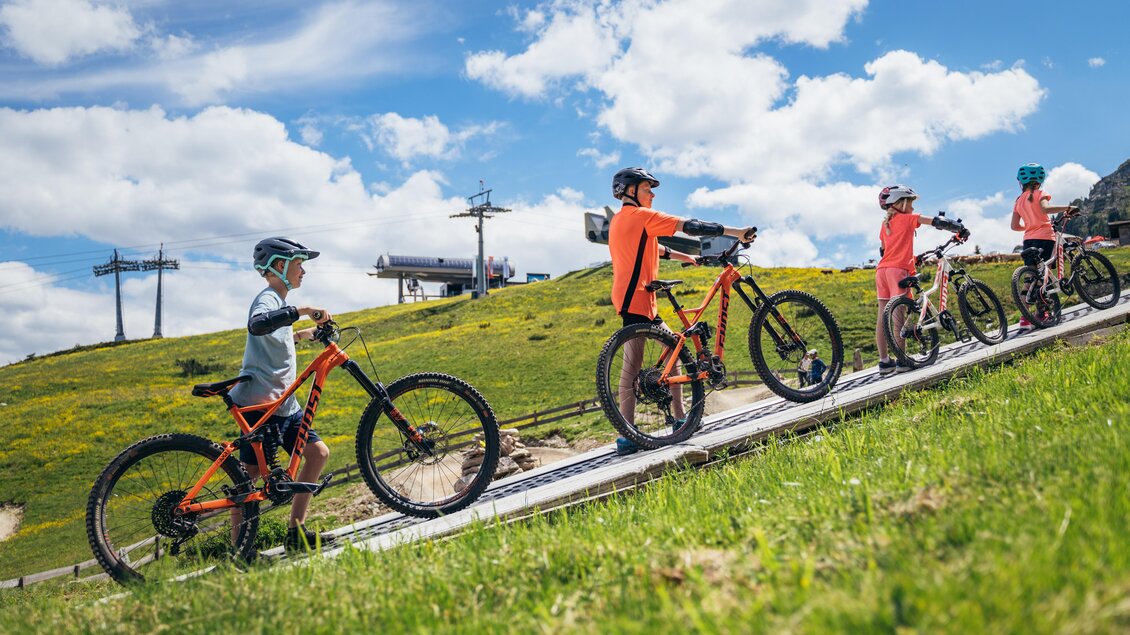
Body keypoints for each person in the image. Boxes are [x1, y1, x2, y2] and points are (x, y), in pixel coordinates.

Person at [607, 167, 757, 455]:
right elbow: (689, 225)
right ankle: (626, 433)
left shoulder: (622, 221)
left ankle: (679, 418)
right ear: (630, 191)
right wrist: (736, 232)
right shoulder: (642, 216)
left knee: (674, 348)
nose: (651, 193)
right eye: (646, 188)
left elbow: (652, 247)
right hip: (636, 297)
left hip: (637, 296)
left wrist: (685, 256)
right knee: (632, 366)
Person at [229, 237, 334, 551]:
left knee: (318, 453)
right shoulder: (268, 298)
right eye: (299, 265)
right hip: (260, 405)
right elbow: (258, 324)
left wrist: (312, 333)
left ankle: (296, 534)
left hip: (284, 404)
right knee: (246, 482)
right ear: (280, 266)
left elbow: (281, 337)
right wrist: (303, 309)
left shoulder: (277, 300)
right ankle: (241, 550)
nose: (303, 271)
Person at [874, 185, 968, 375]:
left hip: (882, 271)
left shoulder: (885, 226)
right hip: (897, 271)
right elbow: (936, 221)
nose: (914, 208)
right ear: (902, 203)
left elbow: (885, 251)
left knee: (882, 316)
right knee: (898, 316)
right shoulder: (908, 218)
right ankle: (902, 360)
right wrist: (959, 228)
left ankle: (884, 362)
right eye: (911, 203)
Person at [1010, 163, 1079, 330]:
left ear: (1021, 181)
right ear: (1040, 179)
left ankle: (1025, 319)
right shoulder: (1040, 193)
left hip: (1028, 241)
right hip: (1045, 238)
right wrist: (1068, 208)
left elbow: (1014, 226)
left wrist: (1028, 226)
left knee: (1030, 278)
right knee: (1043, 277)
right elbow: (1045, 209)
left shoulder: (1018, 200)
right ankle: (1042, 314)